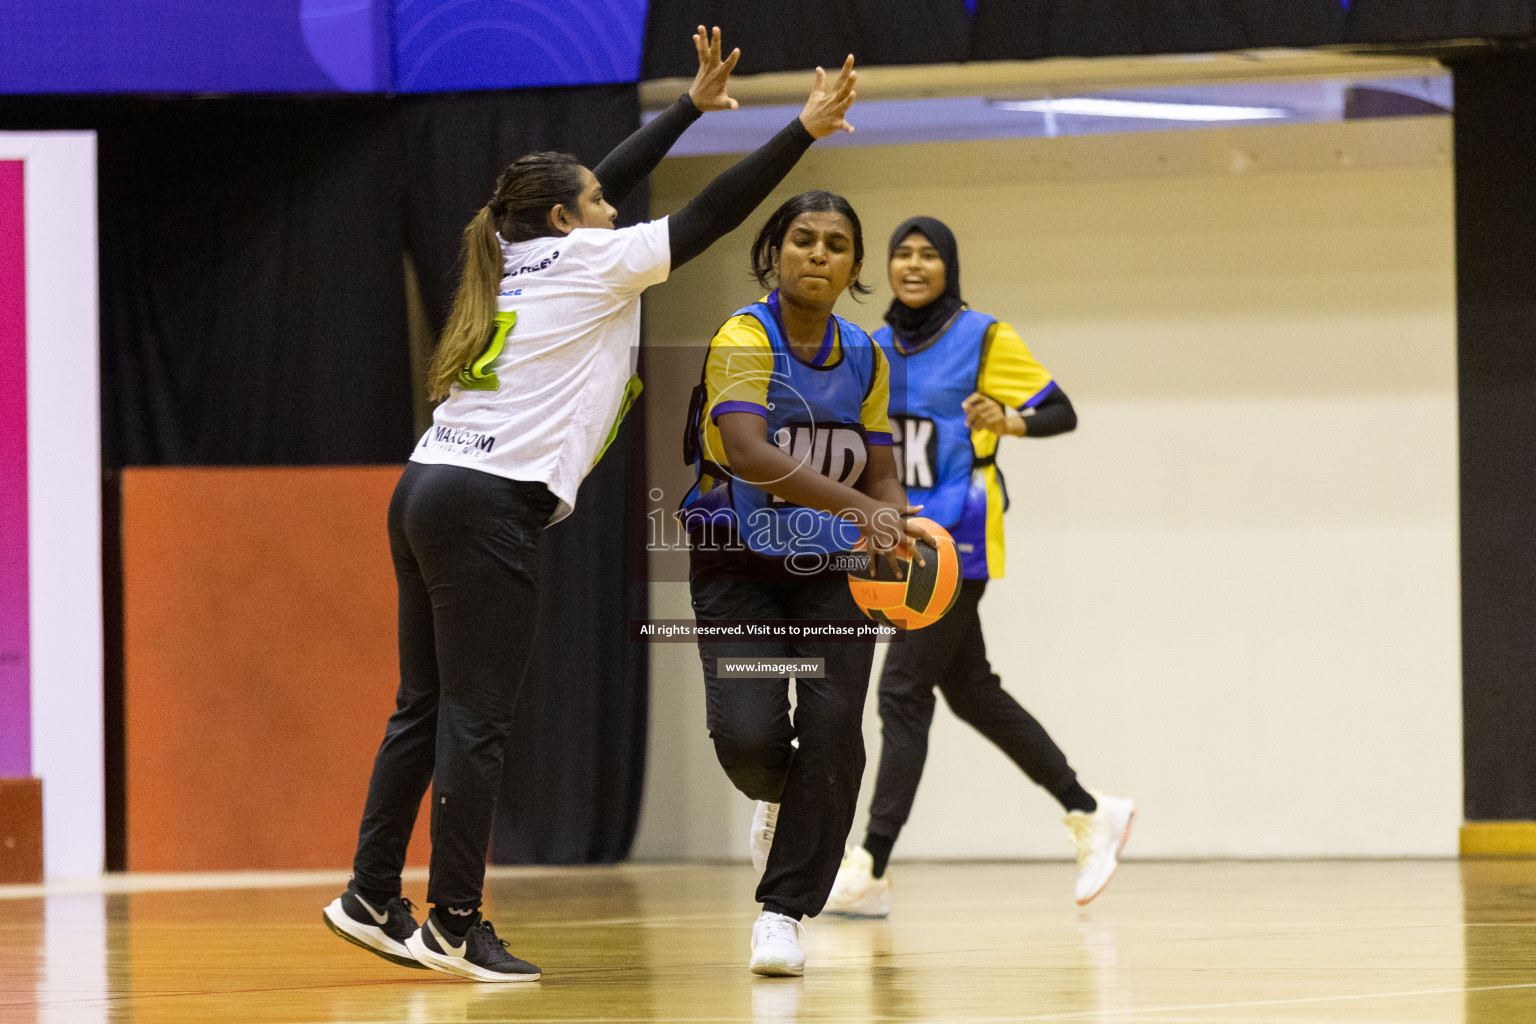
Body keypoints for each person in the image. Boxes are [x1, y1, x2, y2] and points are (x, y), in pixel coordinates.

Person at [322, 29, 862, 983]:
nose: (615, 210)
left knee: (424, 705)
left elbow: (590, 180)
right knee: (476, 721)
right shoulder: (592, 262)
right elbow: (713, 214)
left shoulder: (507, 244)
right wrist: (801, 131)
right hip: (488, 505)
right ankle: (453, 919)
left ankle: (370, 890)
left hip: (424, 485)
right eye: (602, 206)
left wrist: (689, 108)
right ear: (571, 221)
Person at [824, 216, 1135, 918]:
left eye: (928, 254)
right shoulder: (872, 347)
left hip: (957, 539)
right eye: (902, 253)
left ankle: (870, 860)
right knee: (969, 690)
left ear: (948, 268)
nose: (912, 264)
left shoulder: (983, 337)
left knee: (903, 690)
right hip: (897, 542)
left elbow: (1060, 411)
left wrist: (1008, 420)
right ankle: (1090, 810)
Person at [678, 191, 932, 976]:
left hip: (832, 570)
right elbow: (749, 452)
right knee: (750, 736)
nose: (818, 254)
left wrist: (900, 522)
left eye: (835, 244)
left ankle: (781, 912)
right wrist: (866, 509)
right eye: (802, 239)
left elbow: (884, 472)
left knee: (833, 732)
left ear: (854, 267)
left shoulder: (867, 356)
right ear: (774, 253)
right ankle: (783, 801)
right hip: (738, 560)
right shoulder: (743, 338)